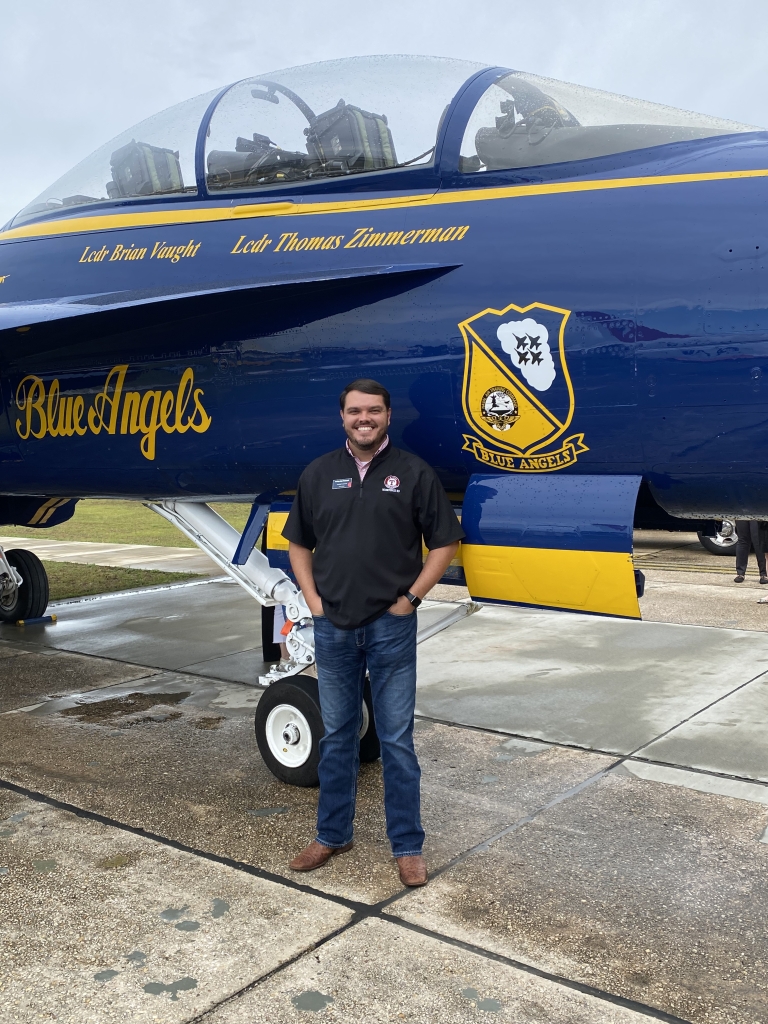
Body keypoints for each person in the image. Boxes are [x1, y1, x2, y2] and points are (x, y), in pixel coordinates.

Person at [282, 378, 464, 887]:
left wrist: (412, 600)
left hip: (390, 627)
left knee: (397, 740)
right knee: (337, 736)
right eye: (355, 411)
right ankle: (330, 835)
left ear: (388, 417)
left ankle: (408, 847)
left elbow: (445, 542)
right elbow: (299, 544)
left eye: (375, 411)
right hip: (334, 628)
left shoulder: (413, 473)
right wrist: (313, 601)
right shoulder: (319, 474)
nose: (365, 419)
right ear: (342, 417)